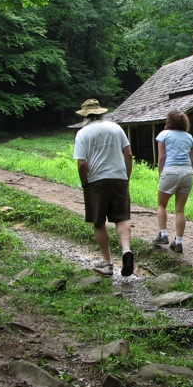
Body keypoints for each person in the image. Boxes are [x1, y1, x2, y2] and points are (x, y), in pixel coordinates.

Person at [72, 99, 135, 277]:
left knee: (99, 222)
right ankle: (125, 249)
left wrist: (85, 184)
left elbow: (82, 164)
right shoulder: (116, 128)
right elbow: (128, 154)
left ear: (85, 116)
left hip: (96, 181)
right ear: (101, 113)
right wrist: (126, 177)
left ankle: (107, 263)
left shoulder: (83, 133)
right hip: (119, 178)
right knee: (122, 218)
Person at [152, 110, 193, 253]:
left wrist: (161, 173)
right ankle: (178, 242)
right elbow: (192, 159)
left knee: (161, 204)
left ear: (169, 121)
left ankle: (163, 234)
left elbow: (161, 157)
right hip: (188, 172)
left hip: (171, 170)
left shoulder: (163, 135)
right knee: (180, 210)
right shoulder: (190, 137)